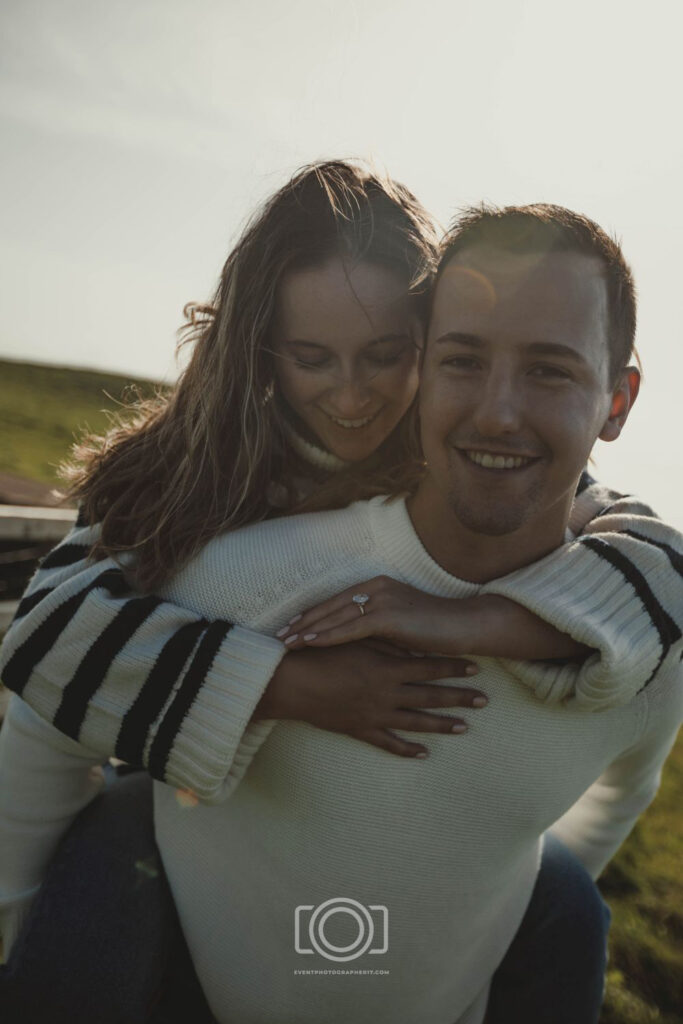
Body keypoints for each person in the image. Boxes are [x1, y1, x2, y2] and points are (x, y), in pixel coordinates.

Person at [0, 202, 681, 1024]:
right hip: (180, 840)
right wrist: (281, 683)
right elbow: (49, 648)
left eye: (385, 356)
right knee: (118, 830)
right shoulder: (192, 490)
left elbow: (648, 559)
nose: (353, 396)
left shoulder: (579, 547)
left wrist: (487, 623)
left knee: (563, 898)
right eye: (313, 357)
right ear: (262, 353)